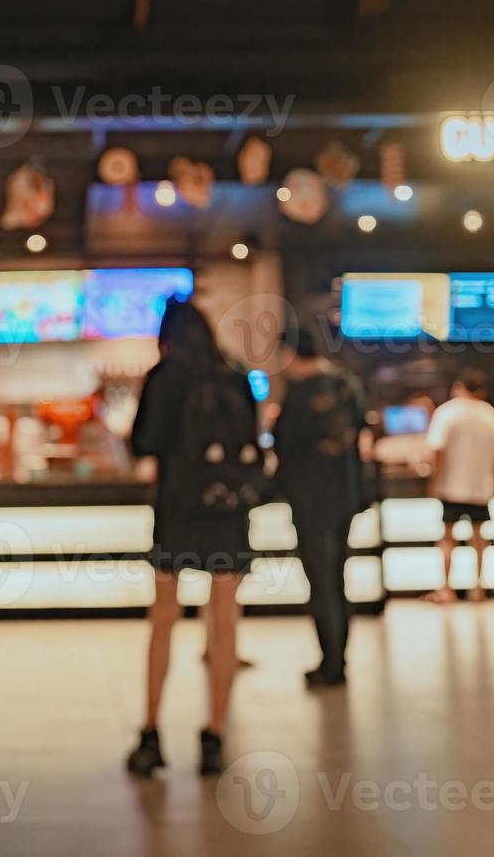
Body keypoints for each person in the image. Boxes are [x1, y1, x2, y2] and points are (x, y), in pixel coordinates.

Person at [125, 299, 260, 777]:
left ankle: (150, 732)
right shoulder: (237, 375)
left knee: (164, 619)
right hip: (228, 513)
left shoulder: (165, 377)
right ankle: (215, 735)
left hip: (177, 510)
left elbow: (142, 445)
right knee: (224, 623)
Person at [270, 330, 367, 689]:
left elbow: (283, 449)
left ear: (289, 352)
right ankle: (338, 661)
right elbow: (359, 432)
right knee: (338, 578)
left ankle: (331, 663)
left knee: (321, 581)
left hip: (310, 500)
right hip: (345, 495)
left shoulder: (298, 395)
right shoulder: (346, 384)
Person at [424, 368, 494, 603]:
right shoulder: (491, 415)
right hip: (481, 486)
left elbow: (436, 449)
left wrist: (434, 479)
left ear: (458, 386)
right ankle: (478, 588)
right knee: (479, 539)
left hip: (449, 486)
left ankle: (446, 589)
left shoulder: (446, 413)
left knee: (447, 538)